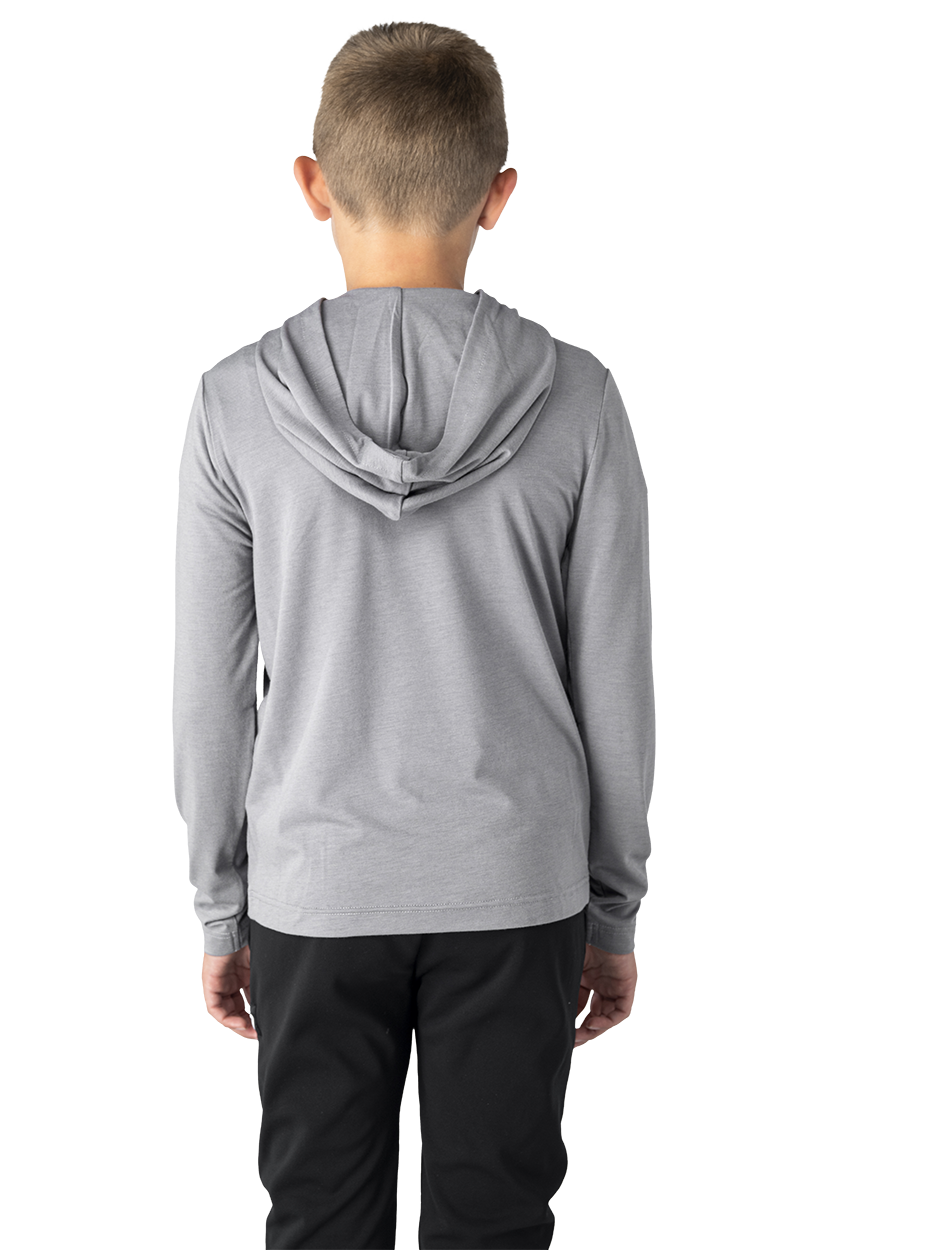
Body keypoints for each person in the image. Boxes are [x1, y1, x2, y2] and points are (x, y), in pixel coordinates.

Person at [173, 19, 653, 1248]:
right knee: (496, 1218)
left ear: (310, 183)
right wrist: (616, 912)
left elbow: (208, 686)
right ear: (500, 193)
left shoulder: (231, 403)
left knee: (315, 1219)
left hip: (314, 883)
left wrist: (211, 908)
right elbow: (614, 677)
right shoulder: (580, 396)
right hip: (516, 879)